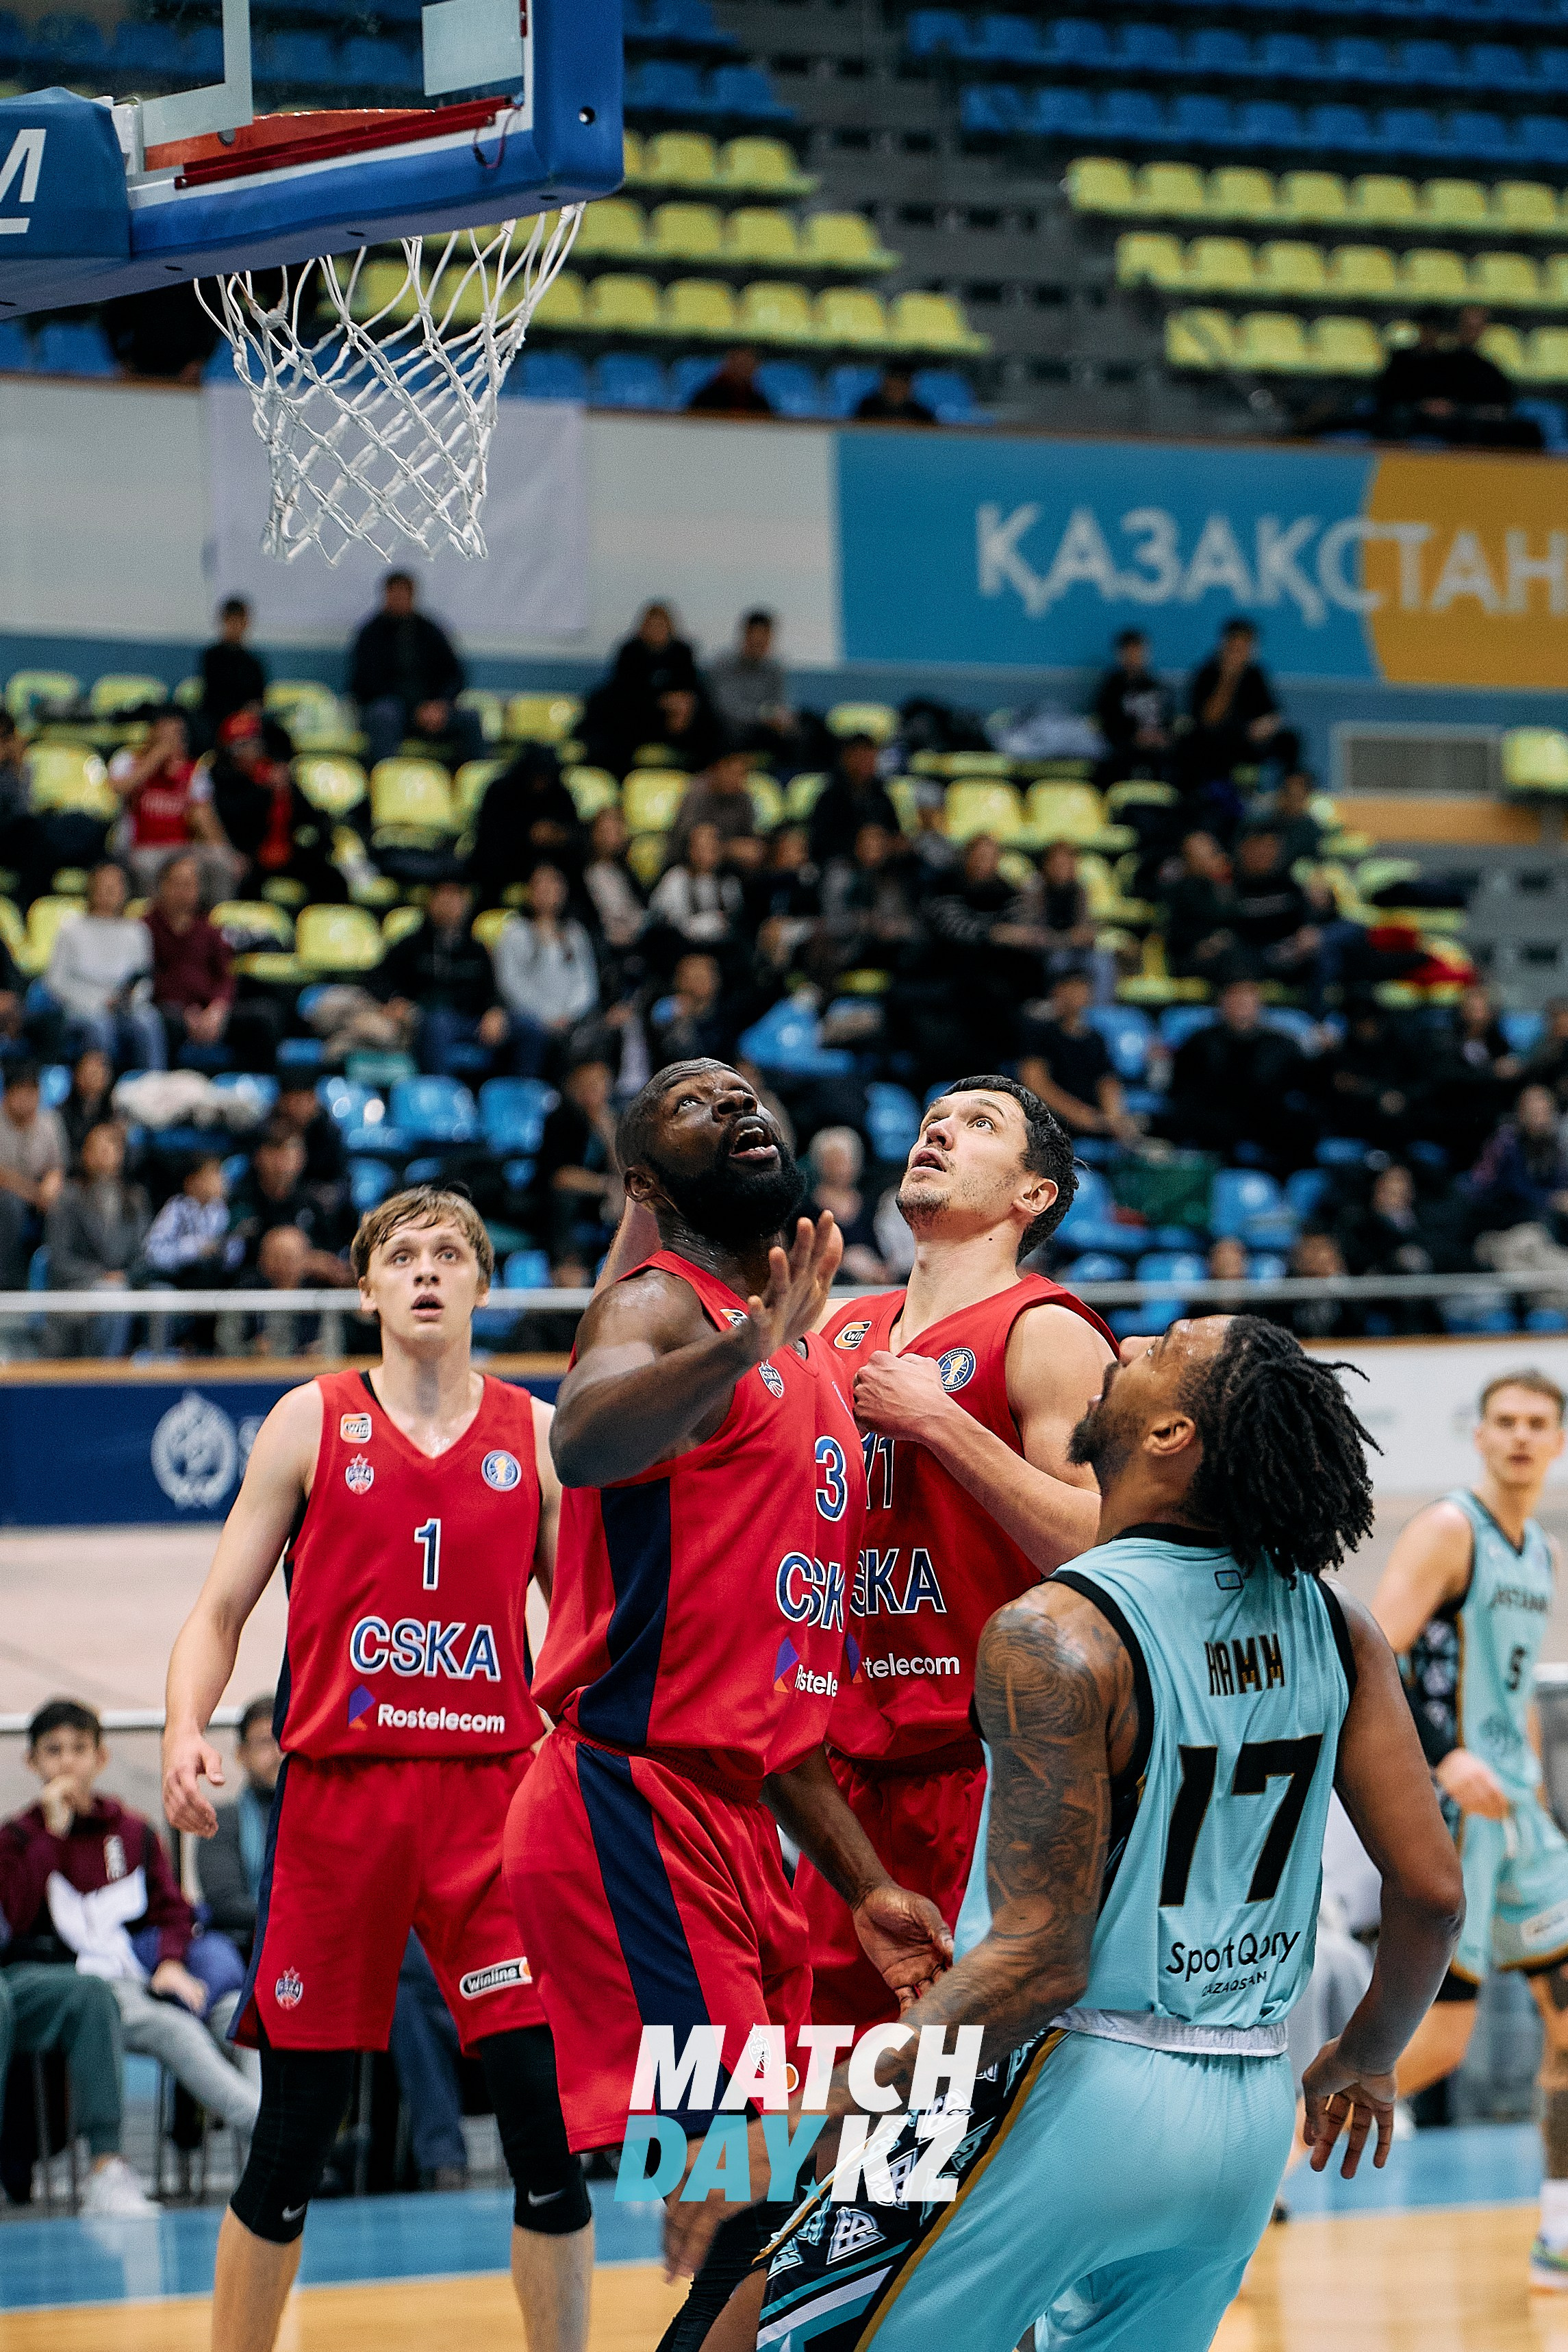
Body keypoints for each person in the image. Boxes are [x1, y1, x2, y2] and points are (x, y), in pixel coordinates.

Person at [734, 1316, 1463, 2352]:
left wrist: (866, 2079)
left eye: (1164, 1344)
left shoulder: (1055, 1630)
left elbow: (1042, 1959)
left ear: (1170, 1432)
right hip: (1247, 2110)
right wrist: (1366, 2053)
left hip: (1070, 2085)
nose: (1127, 1341)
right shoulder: (1336, 1625)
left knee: (758, 2332)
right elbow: (1433, 1893)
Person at [502, 1061, 952, 2349]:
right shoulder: (658, 1303)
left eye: (747, 1091)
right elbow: (581, 1439)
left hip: (740, 1813)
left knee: (773, 2199)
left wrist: (866, 1885)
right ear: (647, 1182)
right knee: (745, 2185)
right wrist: (741, 1340)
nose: (738, 1104)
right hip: (628, 1798)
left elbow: (783, 1718)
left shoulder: (804, 1365)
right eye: (697, 1102)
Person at [162, 1186, 592, 2352]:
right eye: (402, 1253)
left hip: (494, 1806)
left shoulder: (537, 1432)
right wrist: (183, 1726)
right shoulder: (310, 1418)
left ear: (483, 1284)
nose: (427, 1269)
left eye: (451, 1251)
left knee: (544, 2133)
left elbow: (585, 1633)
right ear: (367, 1288)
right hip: (338, 1804)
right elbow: (218, 1608)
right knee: (293, 2139)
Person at [796, 1075, 1115, 2029]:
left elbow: (1108, 1543)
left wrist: (941, 1422)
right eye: (933, 1119)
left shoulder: (1047, 1330)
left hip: (992, 1767)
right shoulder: (833, 1328)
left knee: (960, 2114)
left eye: (979, 1126)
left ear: (1033, 1195)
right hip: (842, 1780)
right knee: (817, 2096)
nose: (938, 1131)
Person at [1370, 1371, 1568, 2288]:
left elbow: (1516, 1682)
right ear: (1478, 1435)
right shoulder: (1451, 1529)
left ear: (1557, 1440)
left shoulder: (1541, 1552)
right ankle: (1275, 2161)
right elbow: (1372, 1649)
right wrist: (1445, 1754)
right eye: (1505, 1422)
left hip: (1521, 1817)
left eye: (1537, 1423)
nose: (1521, 1437)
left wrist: (1525, 1776)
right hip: (1453, 1816)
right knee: (1439, 2041)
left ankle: (1557, 2232)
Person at [1, 1701, 258, 2144]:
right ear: (33, 1761)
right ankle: (275, 2134)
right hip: (88, 1988)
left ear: (101, 1757)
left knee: (243, 2016)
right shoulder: (18, 1838)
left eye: (79, 1748)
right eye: (54, 1750)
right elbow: (17, 1917)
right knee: (174, 2031)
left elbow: (175, 1909)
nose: (67, 1761)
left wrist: (172, 1962)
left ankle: (274, 2144)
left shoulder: (133, 1831)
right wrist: (51, 1836)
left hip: (153, 1974)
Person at [1163, 979, 1315, 1168]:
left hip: (1268, 1127)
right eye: (1235, 997)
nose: (1241, 1004)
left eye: (1248, 997)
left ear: (1259, 1004)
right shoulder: (1199, 1043)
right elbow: (1180, 1092)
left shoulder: (1282, 1045)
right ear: (1222, 1002)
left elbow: (1304, 1089)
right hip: (1213, 1128)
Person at [374, 875, 510, 1079]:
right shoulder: (411, 945)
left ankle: (517, 1098)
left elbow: (492, 991)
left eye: (457, 897)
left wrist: (495, 1011)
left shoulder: (477, 949)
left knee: (528, 1027)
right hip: (427, 1020)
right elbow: (376, 978)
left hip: (472, 1022)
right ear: (431, 901)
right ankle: (439, 1093)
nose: (450, 903)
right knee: (439, 1023)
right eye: (444, 896)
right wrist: (394, 1000)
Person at [349, 573, 483, 774]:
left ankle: (471, 784)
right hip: (395, 710)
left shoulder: (430, 630)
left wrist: (440, 704)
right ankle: (384, 781)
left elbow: (455, 674)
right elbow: (365, 683)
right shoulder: (370, 635)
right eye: (394, 593)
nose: (399, 599)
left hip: (433, 710)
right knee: (384, 715)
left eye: (404, 594)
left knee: (471, 718)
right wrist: (414, 708)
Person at [41, 861, 165, 1071]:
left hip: (124, 1007)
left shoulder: (137, 931)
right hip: (82, 1008)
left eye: (115, 886)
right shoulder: (71, 929)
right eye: (103, 885)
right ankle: (101, 1091)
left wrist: (128, 1001)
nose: (109, 891)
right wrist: (96, 1003)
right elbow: (55, 982)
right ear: (91, 888)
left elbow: (144, 980)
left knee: (149, 1021)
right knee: (100, 1025)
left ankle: (151, 1086)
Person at [42, 1119, 149, 1358]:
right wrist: (100, 1278)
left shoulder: (136, 1198)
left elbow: (144, 1255)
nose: (105, 1153)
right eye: (97, 1147)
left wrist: (125, 1276)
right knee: (111, 1294)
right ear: (85, 1154)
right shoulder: (67, 1199)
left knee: (161, 1296)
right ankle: (104, 1377)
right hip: (78, 1287)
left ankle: (163, 1378)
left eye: (112, 1146)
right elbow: (59, 1259)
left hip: (126, 1283)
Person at [110, 711, 238, 902]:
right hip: (141, 848)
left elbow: (206, 818)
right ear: (152, 734)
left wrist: (227, 853)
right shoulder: (128, 760)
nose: (172, 741)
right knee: (147, 868)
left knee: (221, 863)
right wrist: (156, 758)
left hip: (182, 849)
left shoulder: (193, 770)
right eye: (165, 735)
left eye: (177, 735)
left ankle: (216, 923)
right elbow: (119, 788)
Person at [492, 865, 600, 1079]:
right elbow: (510, 982)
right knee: (532, 1033)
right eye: (541, 885)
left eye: (554, 885)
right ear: (529, 891)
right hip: (530, 1019)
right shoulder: (515, 931)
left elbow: (586, 983)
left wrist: (569, 1014)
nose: (548, 891)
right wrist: (545, 1016)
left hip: (570, 1021)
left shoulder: (574, 933)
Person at [194, 1695, 279, 1957]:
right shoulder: (222, 1820)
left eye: (285, 1740)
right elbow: (224, 1903)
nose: (278, 1753)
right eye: (265, 1742)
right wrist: (294, 1918)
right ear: (242, 1754)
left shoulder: (317, 1817)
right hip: (243, 1946)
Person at [1017, 969, 1140, 1145]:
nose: (1077, 995)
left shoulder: (1095, 1039)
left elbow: (1107, 1082)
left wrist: (1114, 1119)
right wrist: (1082, 1117)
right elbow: (1035, 1083)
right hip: (1051, 1129)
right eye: (1070, 988)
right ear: (1056, 991)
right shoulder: (1039, 1032)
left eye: (1082, 988)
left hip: (1096, 1130)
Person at [583, 603, 703, 777]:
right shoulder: (630, 652)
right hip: (635, 720)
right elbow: (625, 693)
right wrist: (662, 702)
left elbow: (690, 690)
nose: (656, 630)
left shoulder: (682, 653)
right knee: (616, 733)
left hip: (670, 722)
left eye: (661, 626)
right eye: (652, 625)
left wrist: (682, 708)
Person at [1183, 618, 1298, 792]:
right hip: (1217, 741)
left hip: (1250, 740)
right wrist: (1228, 677)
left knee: (1290, 741)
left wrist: (1264, 726)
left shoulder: (1255, 674)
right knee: (1205, 743)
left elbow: (1273, 713)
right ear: (1226, 644)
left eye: (1247, 645)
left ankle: (1288, 795)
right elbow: (1209, 720)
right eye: (1237, 645)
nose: (1242, 651)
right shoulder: (1207, 673)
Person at [144, 853, 239, 1065]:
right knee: (165, 1020)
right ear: (162, 886)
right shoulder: (145, 928)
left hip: (208, 1010)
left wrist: (217, 1009)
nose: (184, 891)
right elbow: (147, 979)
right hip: (167, 1011)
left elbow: (225, 976)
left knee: (263, 1018)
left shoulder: (209, 928)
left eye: (190, 884)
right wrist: (186, 1013)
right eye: (177, 883)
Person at [469, 745, 585, 901]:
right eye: (536, 777)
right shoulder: (500, 791)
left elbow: (574, 832)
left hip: (551, 862)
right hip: (507, 863)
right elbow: (488, 836)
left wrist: (559, 836)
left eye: (545, 778)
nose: (540, 784)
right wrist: (527, 834)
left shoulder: (561, 796)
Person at [535, 1058, 620, 1265]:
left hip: (596, 1199)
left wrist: (609, 1136)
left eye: (601, 1085)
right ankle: (565, 1265)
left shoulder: (613, 1119)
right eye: (590, 1085)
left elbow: (624, 1173)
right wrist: (606, 1186)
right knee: (564, 1200)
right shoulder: (560, 1119)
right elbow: (560, 1177)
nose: (596, 1091)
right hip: (553, 1200)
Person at [0, 1060, 67, 1290]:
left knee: (65, 1200)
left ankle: (59, 1279)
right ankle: (9, 1285)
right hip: (8, 1195)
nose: (28, 1099)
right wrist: (35, 1194)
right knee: (10, 1205)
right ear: (8, 1093)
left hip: (37, 1194)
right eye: (22, 1092)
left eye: (33, 1092)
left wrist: (51, 1186)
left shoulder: (49, 1121)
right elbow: (3, 1176)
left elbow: (57, 1166)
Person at [703, 611, 798, 759]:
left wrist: (781, 718)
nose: (760, 644)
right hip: (732, 729)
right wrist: (763, 716)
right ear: (745, 636)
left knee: (804, 729)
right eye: (756, 638)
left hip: (764, 729)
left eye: (765, 639)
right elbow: (727, 709)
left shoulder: (775, 668)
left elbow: (779, 703)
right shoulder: (724, 664)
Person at [647, 823, 745, 957]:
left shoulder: (729, 883)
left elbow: (735, 920)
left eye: (712, 847)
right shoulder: (676, 878)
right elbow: (671, 922)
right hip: (684, 951)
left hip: (722, 953)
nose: (705, 853)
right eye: (700, 847)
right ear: (690, 850)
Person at [1092, 628, 1174, 781]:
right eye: (1129, 652)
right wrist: (1134, 737)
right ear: (1120, 655)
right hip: (1125, 750)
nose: (1134, 657)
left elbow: (1168, 720)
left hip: (1158, 748)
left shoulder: (1158, 686)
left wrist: (1161, 737)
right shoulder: (1111, 688)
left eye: (1138, 651)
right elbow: (1109, 724)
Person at [807, 736, 899, 868]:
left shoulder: (881, 794)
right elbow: (819, 843)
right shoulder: (830, 796)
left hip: (883, 863)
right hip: (841, 862)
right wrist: (857, 843)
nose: (866, 762)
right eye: (860, 757)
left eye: (870, 757)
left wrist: (884, 842)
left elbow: (895, 832)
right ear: (846, 758)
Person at [667, 751, 764, 873]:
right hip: (686, 867)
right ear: (719, 769)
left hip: (728, 868)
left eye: (743, 775)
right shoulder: (697, 793)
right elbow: (687, 840)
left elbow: (750, 836)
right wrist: (728, 848)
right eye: (734, 774)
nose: (739, 780)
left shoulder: (743, 797)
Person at [201, 597, 268, 736]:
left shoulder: (253, 662)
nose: (236, 627)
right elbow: (215, 695)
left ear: (246, 623)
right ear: (224, 622)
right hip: (216, 720)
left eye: (240, 622)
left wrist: (251, 712)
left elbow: (259, 698)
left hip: (247, 721)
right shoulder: (212, 657)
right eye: (232, 622)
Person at [685, 347, 773, 416]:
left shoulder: (758, 403)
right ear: (728, 363)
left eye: (749, 364)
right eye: (740, 364)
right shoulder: (707, 398)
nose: (743, 369)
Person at [852, 367, 935, 425]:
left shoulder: (922, 414)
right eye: (894, 380)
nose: (897, 387)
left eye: (903, 381)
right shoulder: (867, 408)